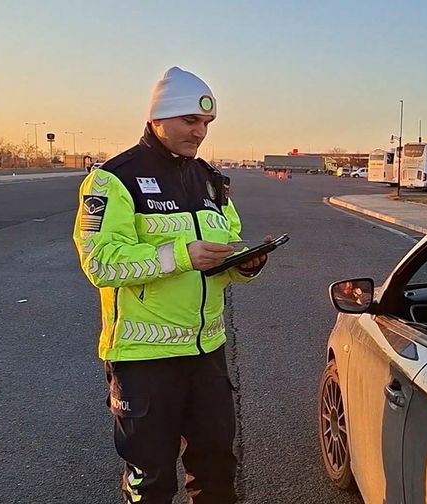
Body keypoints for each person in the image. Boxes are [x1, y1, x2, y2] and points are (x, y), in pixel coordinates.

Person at [72, 66, 267, 504]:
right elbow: (99, 262)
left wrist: (244, 264)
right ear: (158, 118)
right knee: (152, 481)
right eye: (190, 121)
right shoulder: (112, 179)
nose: (200, 132)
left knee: (217, 470)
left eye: (206, 124)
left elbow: (223, 253)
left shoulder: (211, 180)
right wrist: (181, 255)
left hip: (207, 354)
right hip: (144, 357)